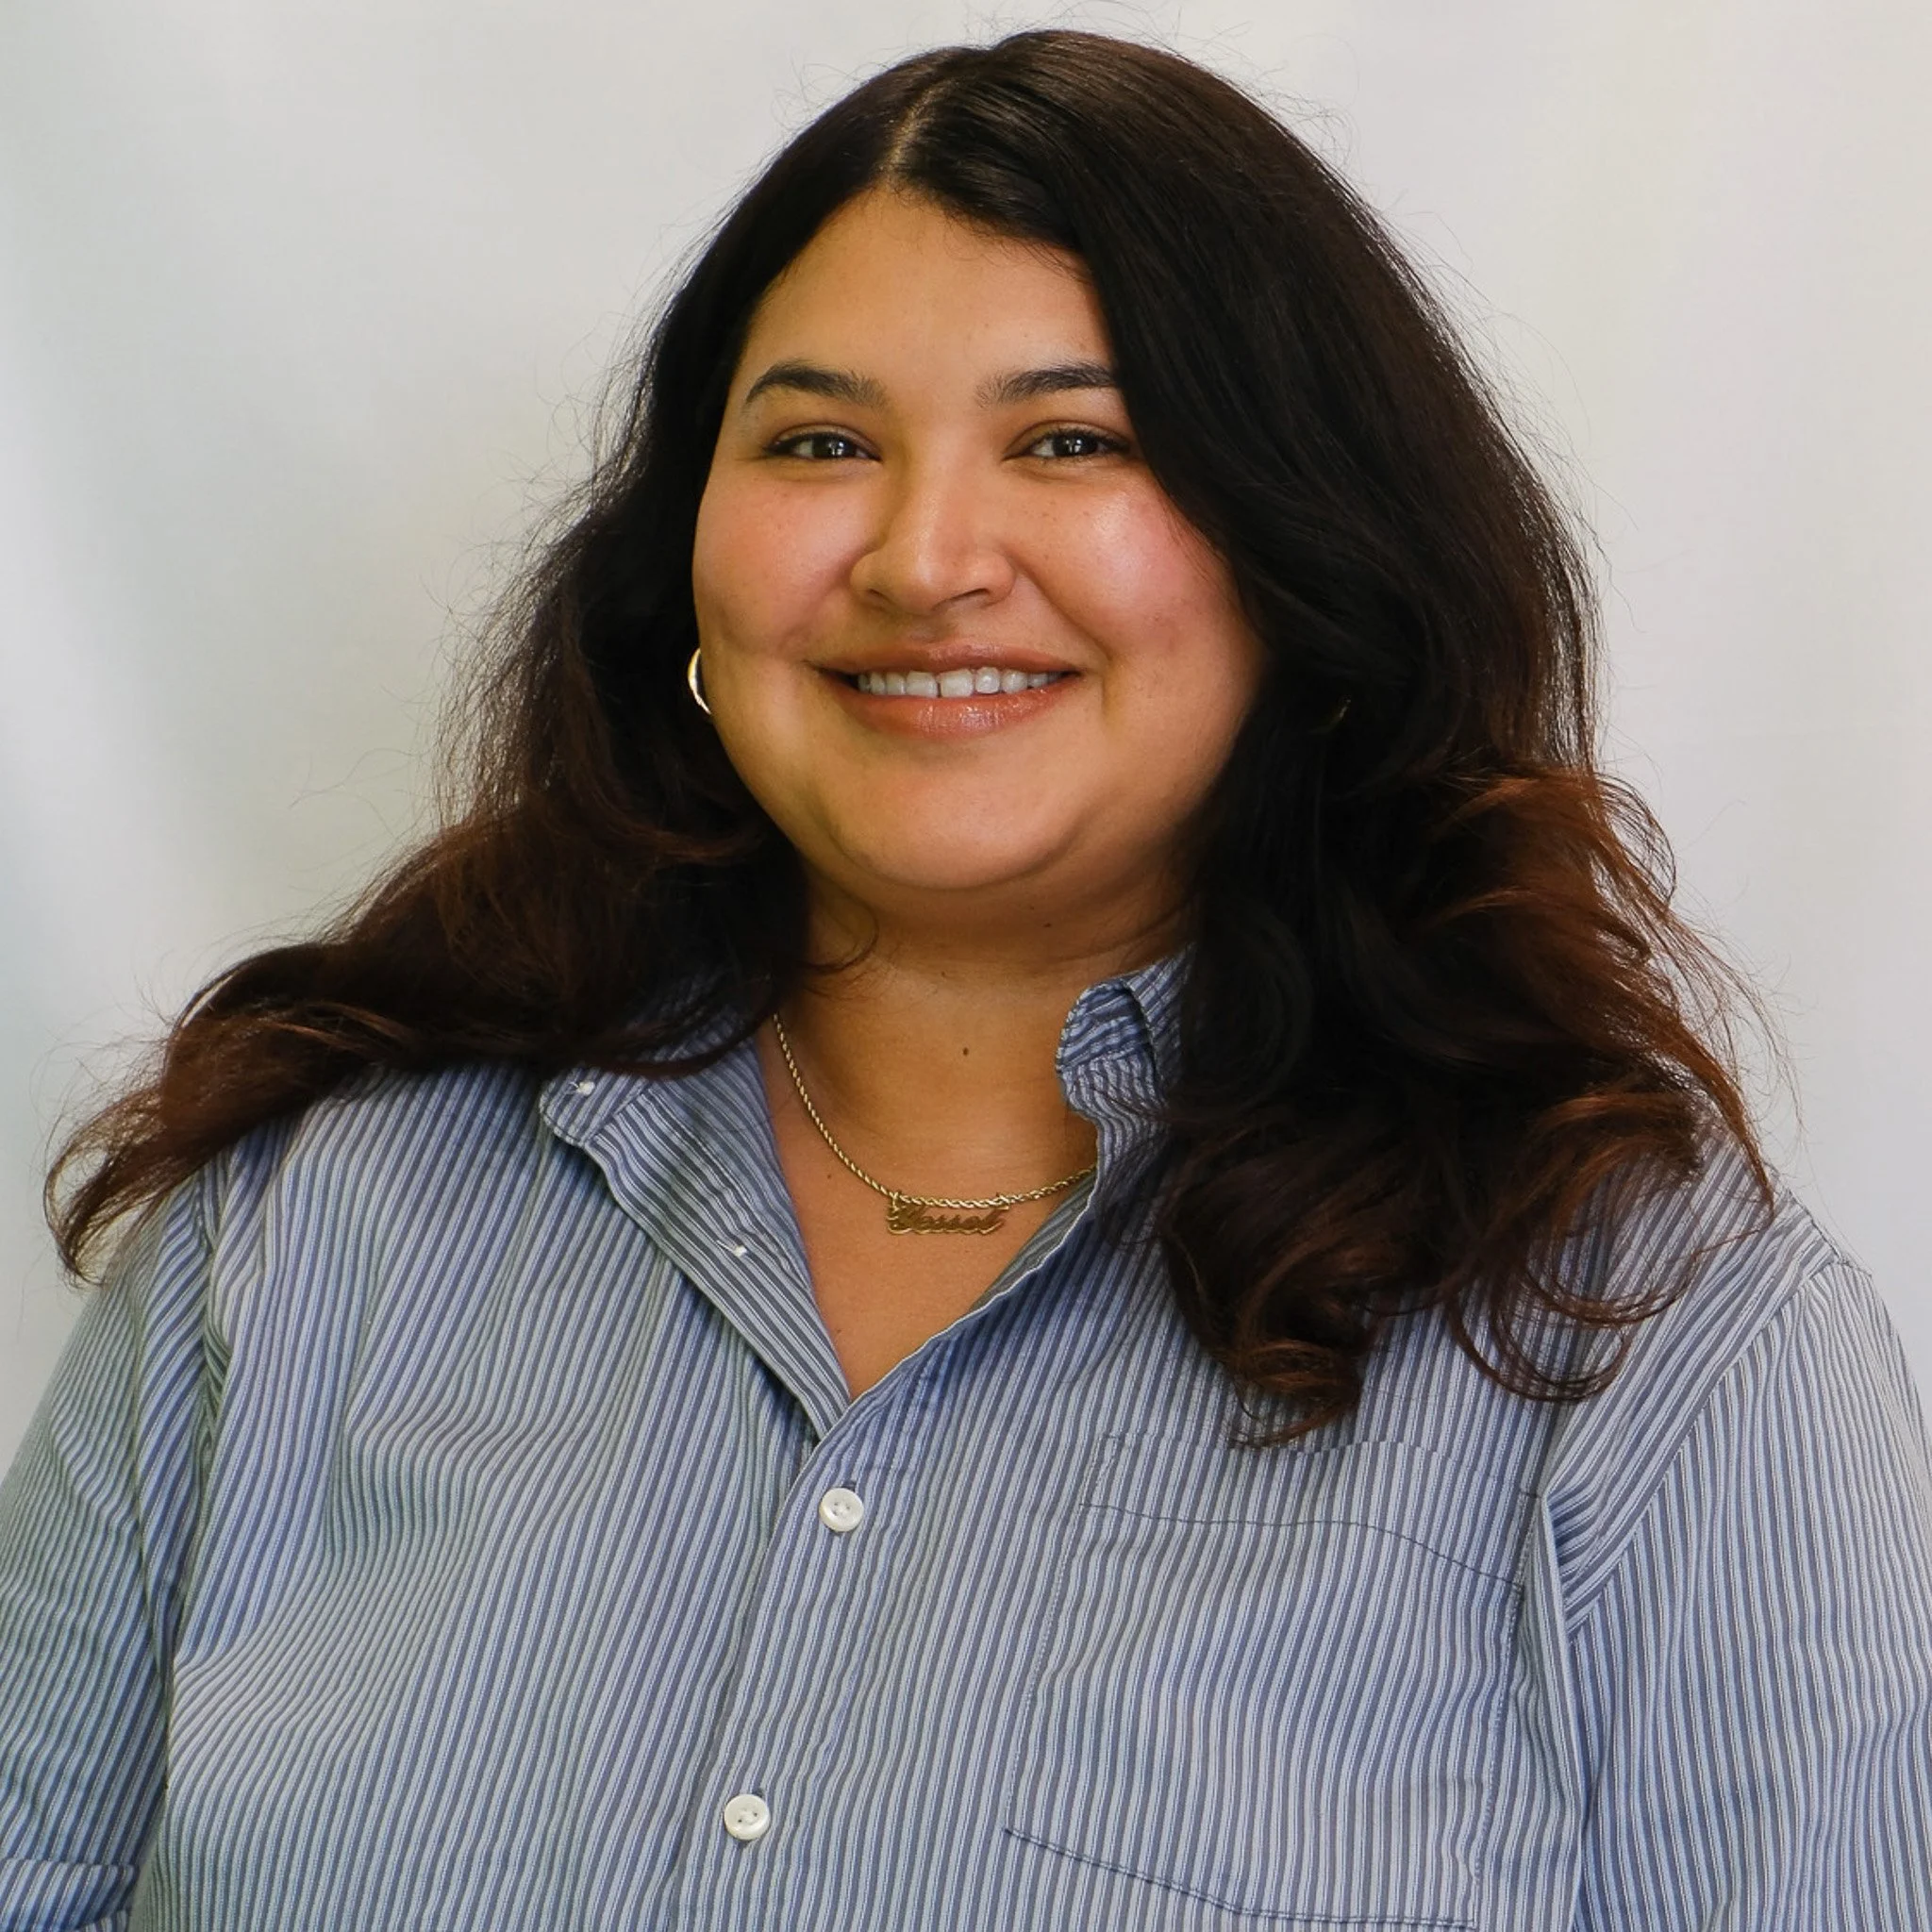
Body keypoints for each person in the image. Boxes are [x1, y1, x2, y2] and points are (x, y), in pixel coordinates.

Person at [2, 28, 1928, 1931]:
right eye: (820, 442)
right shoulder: (294, 1238)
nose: (925, 558)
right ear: (685, 559)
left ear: (1307, 556)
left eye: (1072, 440)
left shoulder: (1656, 1354)